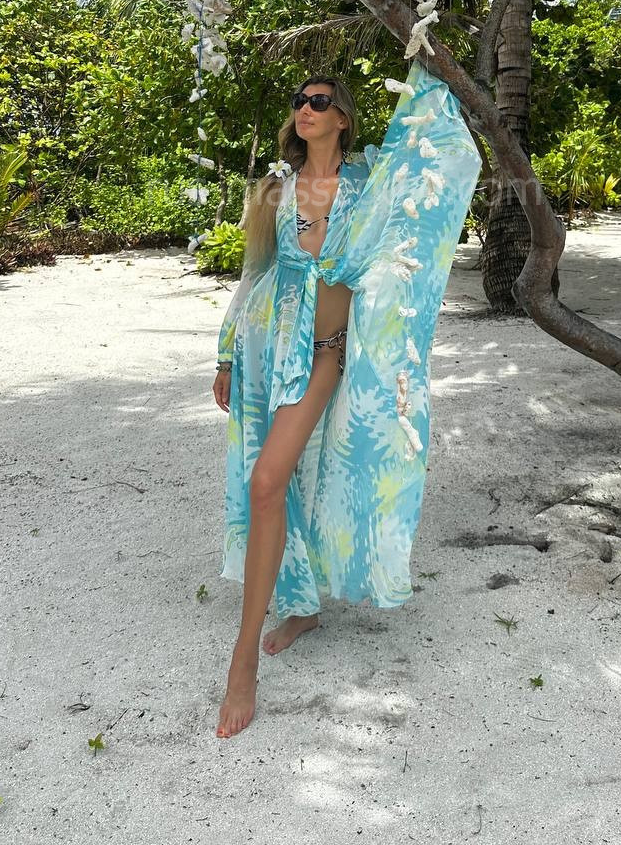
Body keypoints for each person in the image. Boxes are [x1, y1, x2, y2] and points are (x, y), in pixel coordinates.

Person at [211, 60, 480, 738]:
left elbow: (429, 165)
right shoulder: (274, 189)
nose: (305, 108)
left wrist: (428, 69)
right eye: (299, 99)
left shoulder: (366, 185)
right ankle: (300, 606)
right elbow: (253, 274)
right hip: (266, 347)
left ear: (343, 117)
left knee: (268, 482)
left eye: (320, 99)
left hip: (328, 354)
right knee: (283, 484)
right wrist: (225, 353)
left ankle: (243, 662)